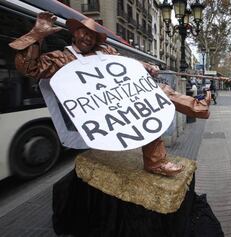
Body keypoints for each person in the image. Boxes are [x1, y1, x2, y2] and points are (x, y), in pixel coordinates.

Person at [9, 12, 211, 176]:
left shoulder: (106, 53)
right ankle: (158, 159)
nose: (87, 37)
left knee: (157, 95)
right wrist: (36, 35)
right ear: (75, 33)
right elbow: (30, 68)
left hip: (120, 101)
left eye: (92, 35)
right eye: (83, 32)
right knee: (147, 106)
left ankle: (196, 111)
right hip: (93, 110)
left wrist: (146, 66)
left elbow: (127, 64)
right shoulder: (62, 58)